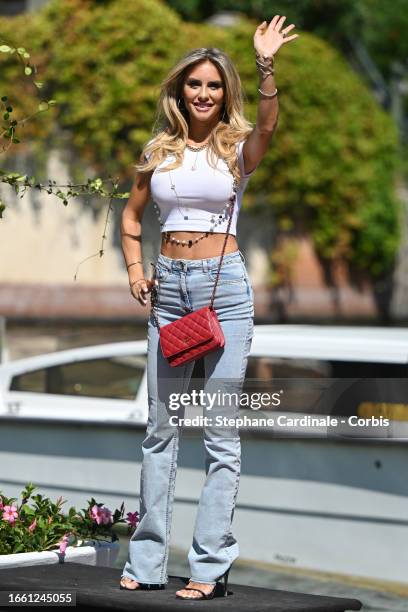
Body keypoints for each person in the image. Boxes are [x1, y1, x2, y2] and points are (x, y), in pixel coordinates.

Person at [119, 15, 298, 600]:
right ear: (179, 90)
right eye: (194, 84)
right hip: (168, 289)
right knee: (160, 431)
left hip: (224, 292)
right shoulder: (158, 150)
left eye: (214, 85)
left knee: (220, 433)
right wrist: (137, 272)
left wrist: (266, 65)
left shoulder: (238, 148)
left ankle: (210, 567)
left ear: (226, 92)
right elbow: (129, 219)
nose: (203, 93)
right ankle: (146, 564)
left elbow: (269, 123)